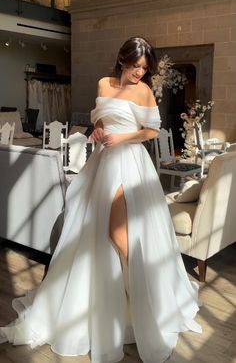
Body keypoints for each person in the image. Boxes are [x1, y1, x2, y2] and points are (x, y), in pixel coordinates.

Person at [0, 37, 202, 363]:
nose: (139, 73)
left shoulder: (145, 92)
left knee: (115, 231)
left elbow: (152, 130)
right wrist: (97, 129)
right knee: (95, 232)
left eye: (144, 69)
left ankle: (143, 293)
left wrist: (124, 136)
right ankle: (118, 297)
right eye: (135, 66)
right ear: (122, 60)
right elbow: (100, 118)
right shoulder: (103, 84)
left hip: (131, 164)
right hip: (104, 163)